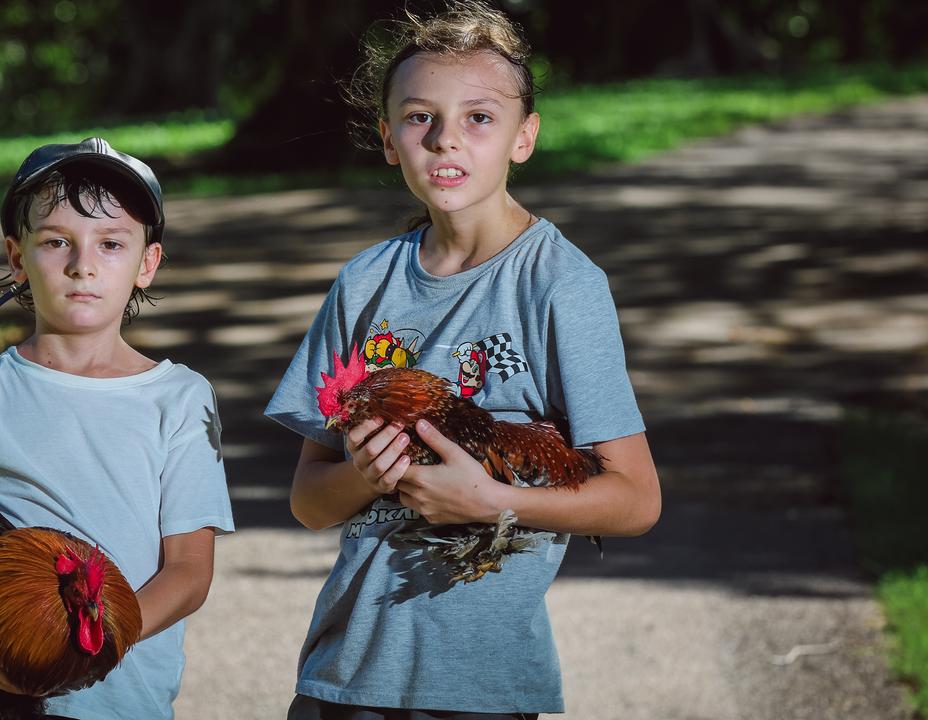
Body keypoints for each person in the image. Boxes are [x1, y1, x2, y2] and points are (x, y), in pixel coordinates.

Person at [264, 2, 661, 718]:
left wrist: (491, 502)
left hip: (481, 685)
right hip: (343, 673)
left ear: (524, 137)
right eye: (420, 118)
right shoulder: (365, 282)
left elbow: (636, 499)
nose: (446, 139)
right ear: (389, 140)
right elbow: (308, 502)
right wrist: (362, 475)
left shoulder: (561, 286)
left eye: (478, 117)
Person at [0, 137, 234, 719]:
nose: (82, 263)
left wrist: (88, 647)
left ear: (147, 263)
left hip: (124, 701)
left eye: (111, 243)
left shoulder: (180, 398)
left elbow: (189, 571)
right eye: (56, 241)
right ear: (17, 258)